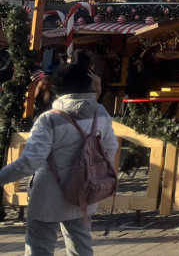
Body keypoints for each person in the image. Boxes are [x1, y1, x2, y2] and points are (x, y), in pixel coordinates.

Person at [0, 61, 117, 255]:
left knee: (40, 247)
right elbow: (110, 148)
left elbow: (29, 162)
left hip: (48, 193)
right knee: (81, 246)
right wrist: (90, 171)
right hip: (84, 189)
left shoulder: (49, 119)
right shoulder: (101, 112)